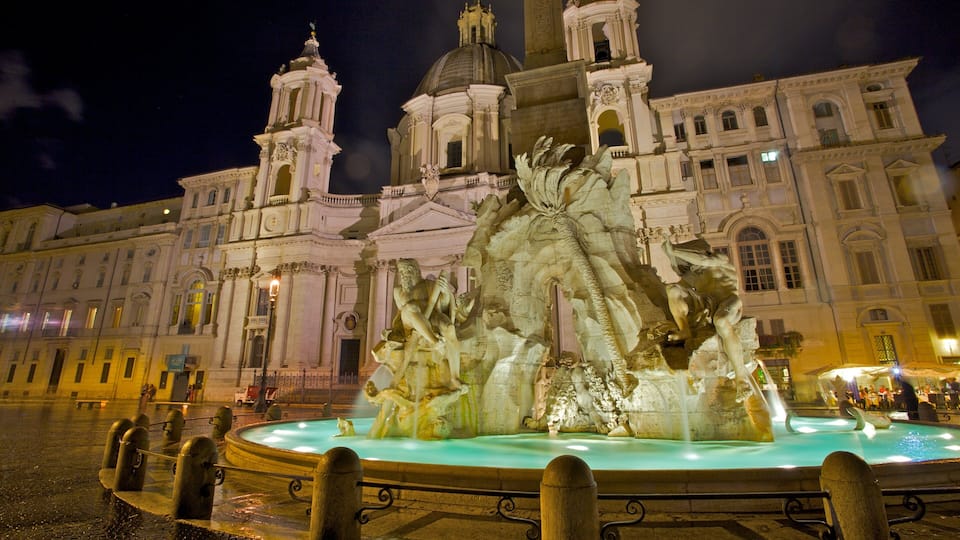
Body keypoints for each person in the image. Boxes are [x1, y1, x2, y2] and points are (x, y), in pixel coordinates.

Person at [663, 239, 749, 400]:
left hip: (728, 301)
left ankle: (741, 376)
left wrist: (674, 250)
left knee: (721, 322)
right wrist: (670, 254)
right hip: (707, 304)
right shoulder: (695, 275)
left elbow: (704, 260)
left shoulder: (719, 259)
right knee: (672, 289)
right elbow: (679, 275)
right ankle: (685, 330)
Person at [391, 259, 461, 388]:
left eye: (408, 271)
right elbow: (400, 313)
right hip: (410, 321)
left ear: (417, 272)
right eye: (402, 272)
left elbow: (444, 305)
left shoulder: (429, 285)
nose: (404, 274)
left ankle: (455, 377)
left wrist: (445, 292)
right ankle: (435, 342)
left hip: (430, 317)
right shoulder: (398, 291)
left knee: (450, 328)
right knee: (411, 307)